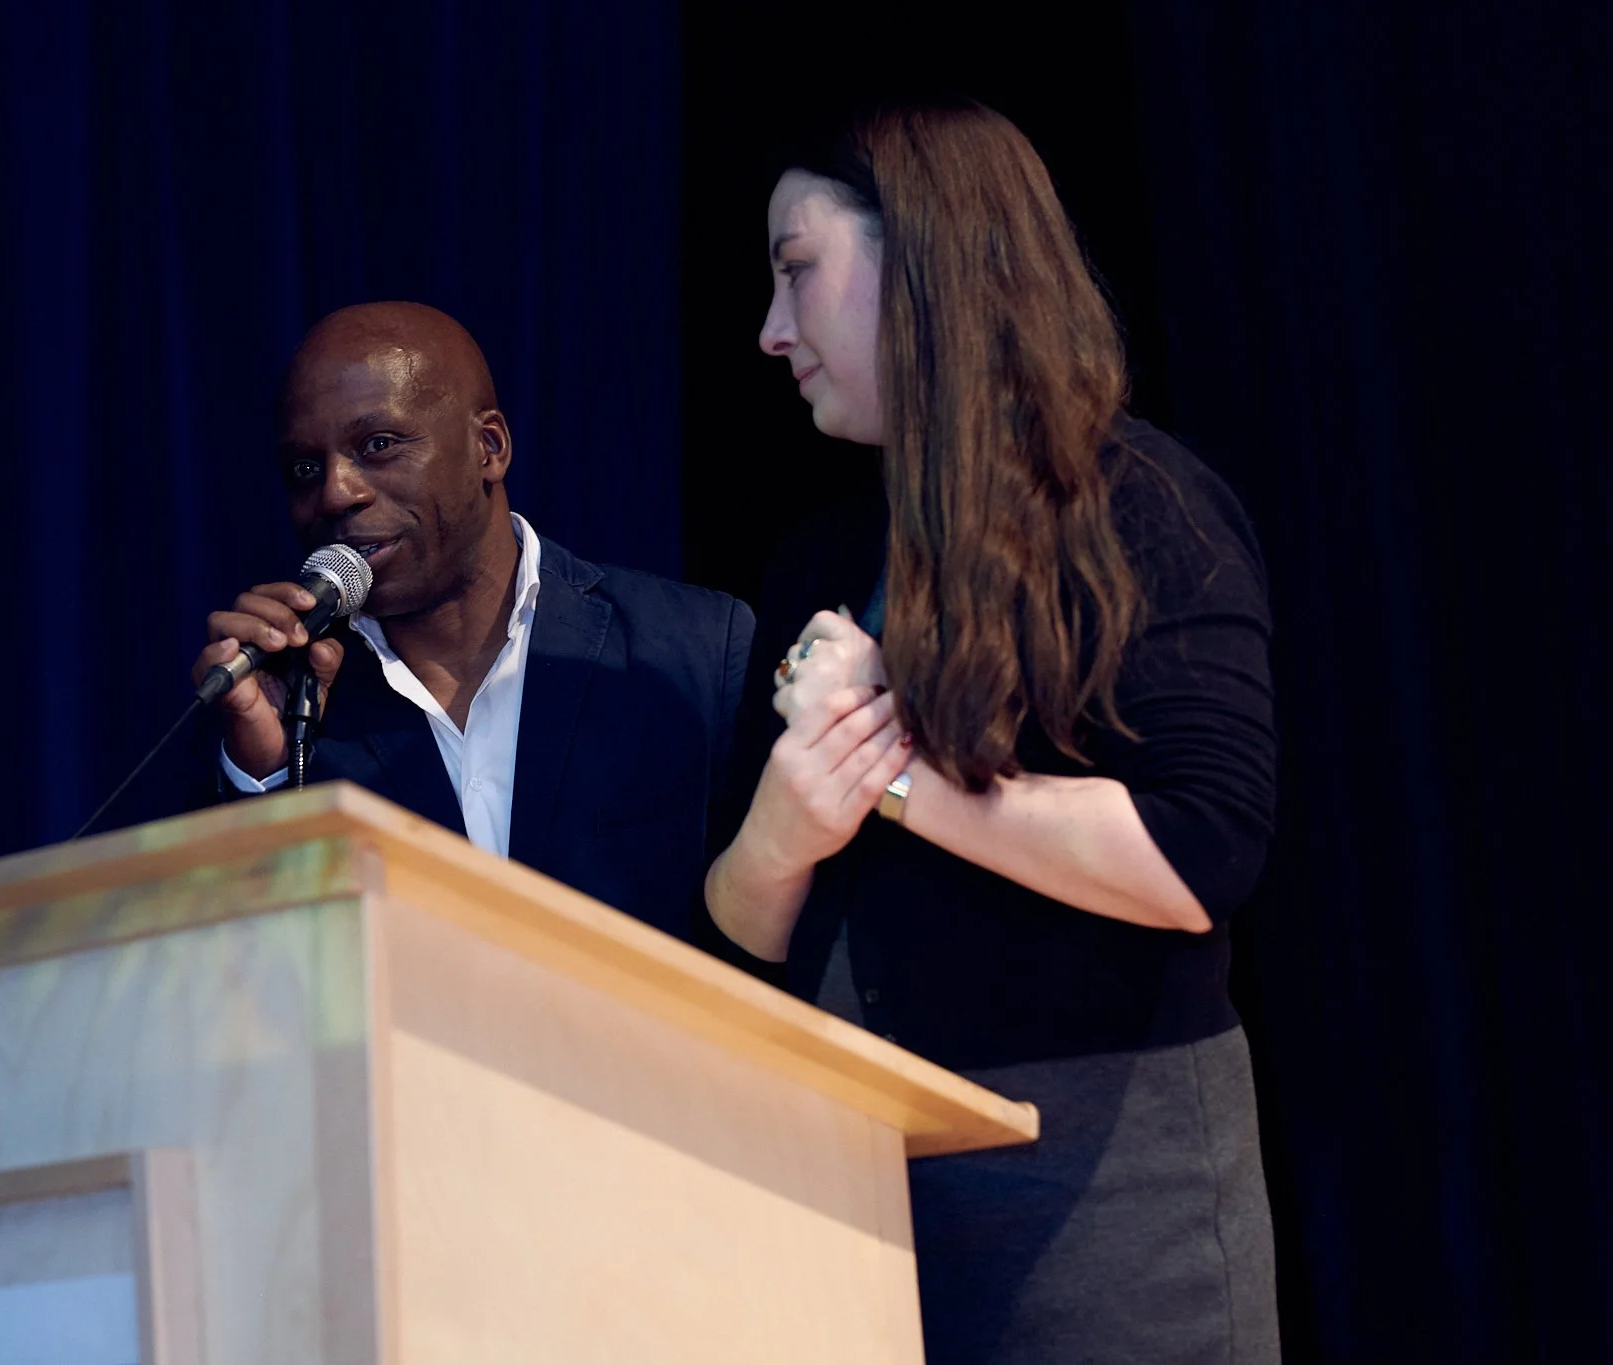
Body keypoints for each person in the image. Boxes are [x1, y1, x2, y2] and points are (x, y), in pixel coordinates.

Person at [697, 101, 1281, 1362]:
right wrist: (781, 833)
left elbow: (1197, 854)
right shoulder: (820, 552)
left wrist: (893, 770)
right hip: (852, 1179)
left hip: (1103, 1190)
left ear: (923, 259)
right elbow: (738, 927)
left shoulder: (1143, 510)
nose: (769, 329)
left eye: (795, 270)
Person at [192, 301, 754, 937]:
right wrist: (262, 777)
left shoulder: (692, 647)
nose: (336, 492)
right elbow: (248, 980)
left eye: (377, 445)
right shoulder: (287, 698)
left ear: (489, 447)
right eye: (305, 468)